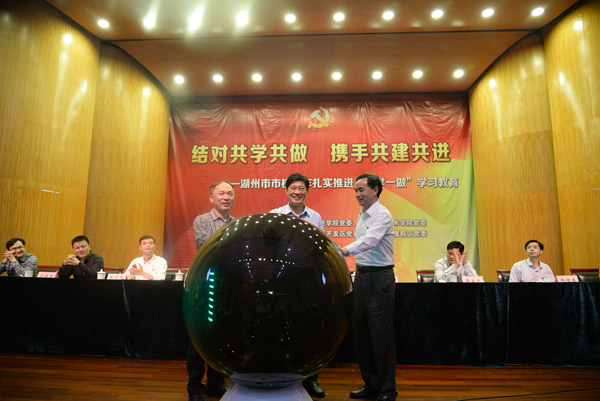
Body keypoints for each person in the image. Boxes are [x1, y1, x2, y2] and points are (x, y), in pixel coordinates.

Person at [339, 173, 397, 401]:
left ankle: (387, 390)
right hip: (362, 276)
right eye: (355, 190)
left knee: (381, 337)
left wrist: (344, 250)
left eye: (361, 190)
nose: (357, 194)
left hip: (379, 277)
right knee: (362, 335)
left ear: (375, 190)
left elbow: (370, 241)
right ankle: (371, 385)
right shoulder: (362, 214)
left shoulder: (382, 214)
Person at [270, 173, 325, 398]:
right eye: (293, 188)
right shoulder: (275, 215)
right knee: (280, 326)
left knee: (308, 327)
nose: (297, 192)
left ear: (307, 191)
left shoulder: (315, 217)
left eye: (301, 188)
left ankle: (310, 379)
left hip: (306, 280)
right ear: (286, 190)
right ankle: (280, 373)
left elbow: (320, 248)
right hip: (281, 281)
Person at [188, 180, 235, 401]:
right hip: (205, 284)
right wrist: (233, 242)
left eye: (230, 193)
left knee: (222, 336)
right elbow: (207, 244)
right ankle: (195, 388)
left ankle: (216, 383)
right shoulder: (202, 220)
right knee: (199, 337)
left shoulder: (237, 222)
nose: (226, 197)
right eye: (221, 193)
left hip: (228, 286)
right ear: (211, 198)